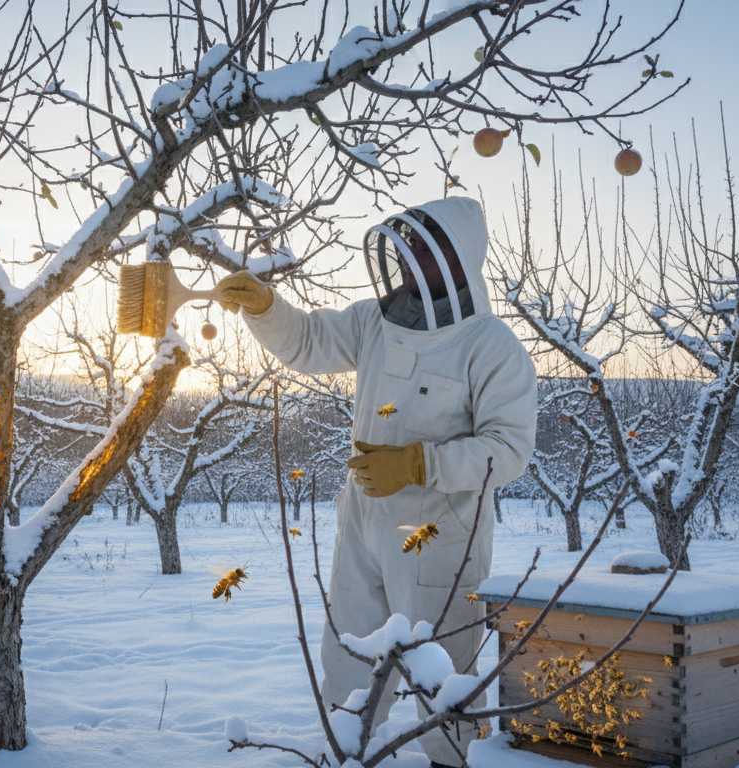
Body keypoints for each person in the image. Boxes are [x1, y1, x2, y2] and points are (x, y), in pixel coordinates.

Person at [216, 197, 537, 767]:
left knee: (442, 665)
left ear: (457, 257)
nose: (410, 257)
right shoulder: (374, 321)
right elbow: (309, 342)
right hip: (363, 520)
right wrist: (267, 307)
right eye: (408, 244)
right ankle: (348, 755)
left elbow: (508, 451)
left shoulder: (492, 347)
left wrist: (419, 464)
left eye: (424, 246)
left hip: (442, 533)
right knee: (349, 656)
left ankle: (451, 764)